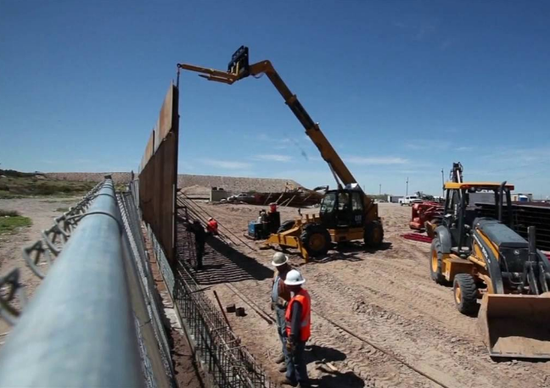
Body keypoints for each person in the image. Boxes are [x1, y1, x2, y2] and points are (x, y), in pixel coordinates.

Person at [281, 270, 311, 387]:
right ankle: (292, 378)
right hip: (303, 333)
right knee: (295, 358)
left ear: (294, 285)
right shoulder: (303, 294)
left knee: (298, 360)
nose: (286, 286)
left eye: (288, 284)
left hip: (297, 335)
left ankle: (303, 383)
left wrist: (291, 338)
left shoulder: (297, 302)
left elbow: (295, 321)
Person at [270, 252, 292, 373]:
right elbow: (274, 284)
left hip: (285, 309)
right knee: (279, 330)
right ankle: (284, 353)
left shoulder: (290, 275)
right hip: (277, 306)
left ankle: (288, 361)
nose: (277, 267)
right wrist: (272, 300)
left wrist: (284, 303)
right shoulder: (277, 272)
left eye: (279, 265)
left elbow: (293, 296)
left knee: (285, 333)